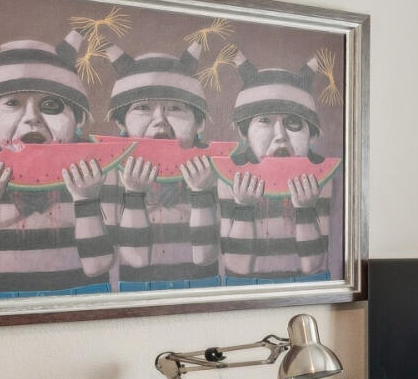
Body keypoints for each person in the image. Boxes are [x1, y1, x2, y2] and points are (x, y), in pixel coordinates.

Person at [0, 27, 114, 298]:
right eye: (13, 103)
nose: (32, 118)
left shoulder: (98, 167)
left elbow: (98, 265)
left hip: (84, 299)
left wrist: (86, 200)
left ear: (77, 118)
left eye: (51, 104)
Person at [103, 34, 223, 292]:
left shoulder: (217, 174)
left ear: (200, 123)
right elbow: (135, 259)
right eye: (143, 107)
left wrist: (201, 192)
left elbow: (205, 256)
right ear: (121, 123)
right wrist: (134, 194)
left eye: (175, 108)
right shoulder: (106, 177)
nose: (160, 120)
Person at [218, 54, 339, 284]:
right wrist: (243, 207)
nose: (280, 135)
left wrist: (305, 210)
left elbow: (313, 265)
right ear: (244, 133)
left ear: (313, 135)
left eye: (293, 123)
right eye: (264, 120)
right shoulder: (231, 176)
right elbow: (236, 266)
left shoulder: (320, 178)